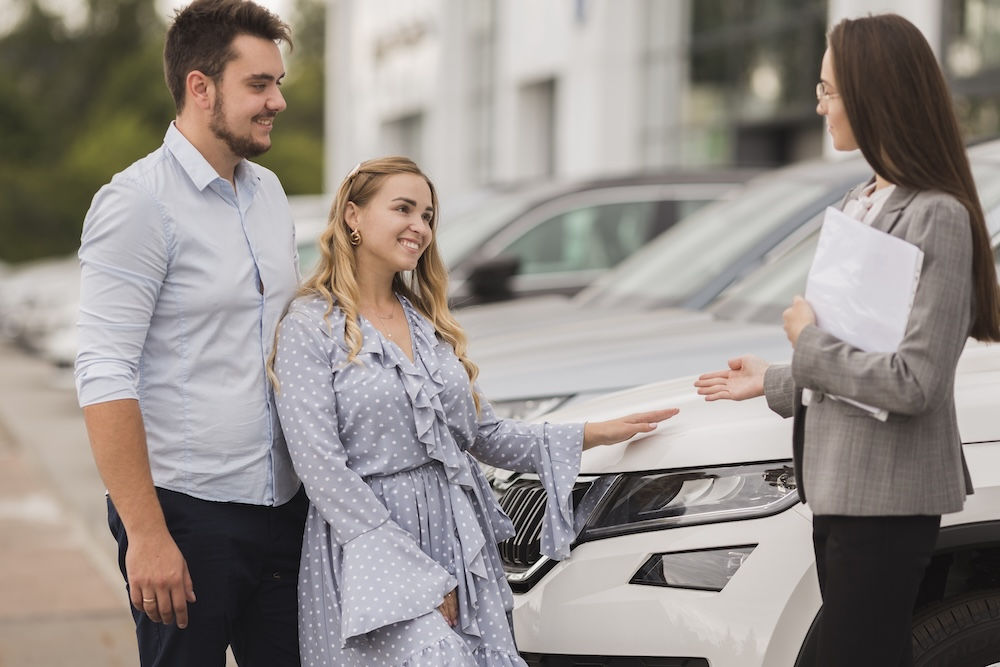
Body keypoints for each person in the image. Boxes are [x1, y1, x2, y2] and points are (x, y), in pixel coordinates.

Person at [270, 156, 678, 666]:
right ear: (353, 215)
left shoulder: (425, 322)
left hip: (456, 536)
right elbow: (321, 468)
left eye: (428, 216)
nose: (419, 227)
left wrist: (591, 434)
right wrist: (412, 574)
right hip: (372, 545)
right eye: (404, 209)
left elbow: (480, 434)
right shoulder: (310, 327)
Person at [694, 13, 1000, 667]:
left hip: (887, 495)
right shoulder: (867, 199)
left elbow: (913, 381)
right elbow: (856, 346)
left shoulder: (936, 215)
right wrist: (776, 378)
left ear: (873, 93)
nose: (818, 102)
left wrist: (805, 346)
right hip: (837, 484)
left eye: (829, 88)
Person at [74, 0, 308, 664]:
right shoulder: (137, 203)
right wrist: (146, 534)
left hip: (284, 508)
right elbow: (102, 370)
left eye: (278, 83)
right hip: (185, 514)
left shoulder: (269, 194)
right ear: (200, 88)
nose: (277, 101)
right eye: (259, 84)